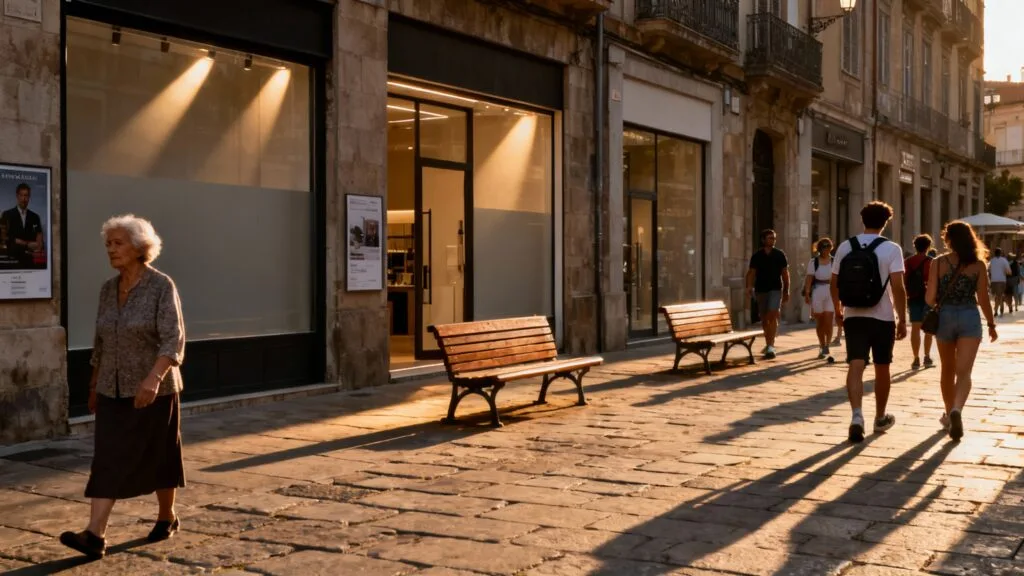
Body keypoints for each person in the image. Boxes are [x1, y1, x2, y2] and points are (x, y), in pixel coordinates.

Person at [59, 215, 186, 559]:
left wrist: (153, 377)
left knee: (160, 455)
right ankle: (95, 534)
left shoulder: (161, 286)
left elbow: (173, 339)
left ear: (140, 247)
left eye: (118, 243)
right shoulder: (106, 289)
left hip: (154, 389)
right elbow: (102, 340)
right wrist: (94, 381)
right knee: (107, 458)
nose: (111, 250)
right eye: (108, 244)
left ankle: (166, 515)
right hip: (111, 389)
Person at [831, 201, 907, 443]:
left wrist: (837, 311)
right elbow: (898, 287)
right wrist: (903, 318)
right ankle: (880, 416)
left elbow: (834, 283)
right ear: (886, 222)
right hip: (882, 316)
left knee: (856, 364)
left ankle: (856, 416)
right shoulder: (892, 249)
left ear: (862, 219)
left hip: (853, 315)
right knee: (882, 367)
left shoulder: (845, 246)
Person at [926, 221, 998, 441]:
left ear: (948, 239)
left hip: (945, 317)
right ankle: (957, 409)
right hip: (969, 317)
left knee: (947, 369)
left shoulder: (938, 263)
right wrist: (991, 324)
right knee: (964, 373)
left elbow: (929, 298)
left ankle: (949, 414)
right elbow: (983, 299)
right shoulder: (978, 265)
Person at [746, 229, 790, 359]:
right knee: (765, 319)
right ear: (763, 240)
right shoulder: (757, 256)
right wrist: (749, 287)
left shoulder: (779, 254)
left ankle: (771, 345)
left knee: (773, 314)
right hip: (761, 289)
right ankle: (768, 343)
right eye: (770, 238)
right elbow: (752, 272)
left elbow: (785, 273)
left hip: (776, 289)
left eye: (774, 238)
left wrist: (787, 290)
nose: (773, 240)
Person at [905, 234, 935, 369]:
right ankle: (927, 356)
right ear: (928, 246)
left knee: (915, 329)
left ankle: (915, 358)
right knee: (928, 328)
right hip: (929, 297)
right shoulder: (932, 261)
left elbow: (904, 281)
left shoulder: (908, 262)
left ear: (915, 246)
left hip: (914, 297)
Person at [803, 237, 835, 360]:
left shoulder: (834, 261)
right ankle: (821, 345)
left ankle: (827, 344)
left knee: (829, 320)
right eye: (823, 247)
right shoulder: (813, 262)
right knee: (820, 321)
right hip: (818, 290)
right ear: (819, 249)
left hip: (831, 291)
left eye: (828, 247)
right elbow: (809, 278)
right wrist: (807, 293)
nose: (826, 249)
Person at [0, 182, 44, 267]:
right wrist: (26, 244)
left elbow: (39, 238)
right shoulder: (7, 214)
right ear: (17, 196)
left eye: (26, 195)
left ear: (29, 197)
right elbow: (3, 237)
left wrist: (38, 248)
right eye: (22, 195)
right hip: (12, 259)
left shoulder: (35, 217)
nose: (24, 199)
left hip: (30, 260)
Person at [988, 248, 1012, 317]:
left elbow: (989, 271)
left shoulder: (991, 261)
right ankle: (1003, 308)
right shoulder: (1004, 260)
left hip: (994, 281)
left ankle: (996, 310)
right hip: (1002, 281)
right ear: (1001, 253)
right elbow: (1009, 272)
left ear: (994, 253)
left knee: (998, 296)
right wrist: (1004, 272)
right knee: (1000, 296)